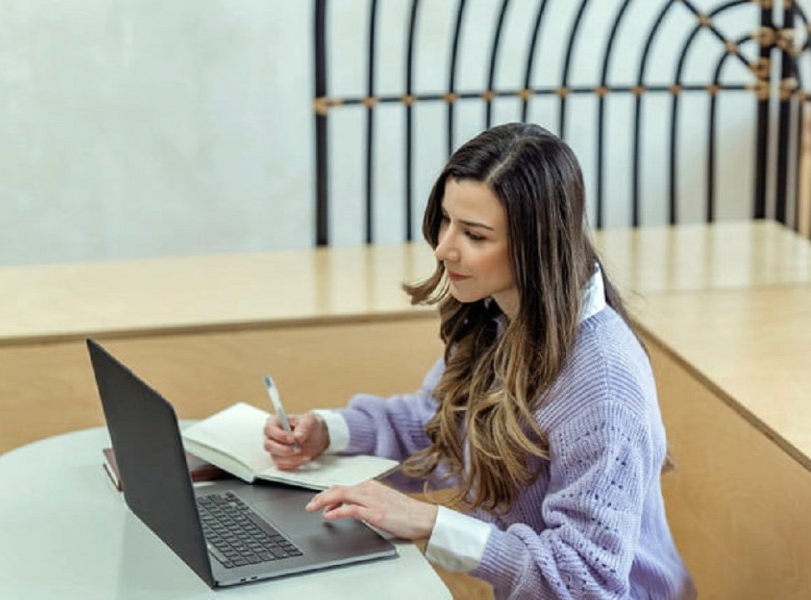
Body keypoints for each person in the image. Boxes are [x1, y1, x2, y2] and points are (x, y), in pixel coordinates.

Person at [263, 122, 695, 599]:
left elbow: (586, 582)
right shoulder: (499, 316)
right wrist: (328, 431)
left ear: (537, 246)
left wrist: (431, 524)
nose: (446, 247)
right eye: (446, 221)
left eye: (475, 234)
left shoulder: (604, 386)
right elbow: (440, 425)